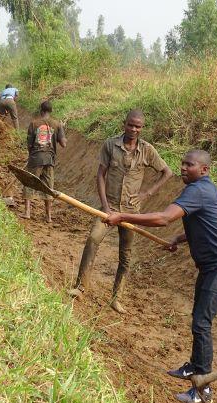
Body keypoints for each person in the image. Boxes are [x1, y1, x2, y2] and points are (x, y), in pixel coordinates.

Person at [104, 149, 217, 403]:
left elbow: (164, 218)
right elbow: (204, 223)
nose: (182, 167)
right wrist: (180, 239)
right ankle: (194, 365)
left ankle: (204, 388)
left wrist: (122, 216)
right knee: (198, 318)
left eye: (189, 165)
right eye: (182, 163)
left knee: (202, 321)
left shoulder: (199, 190)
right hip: (213, 265)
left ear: (204, 170)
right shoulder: (201, 189)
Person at [68, 110, 173, 314]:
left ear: (142, 128)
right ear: (124, 124)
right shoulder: (110, 145)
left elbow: (167, 172)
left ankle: (116, 298)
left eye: (138, 126)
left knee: (125, 255)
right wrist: (106, 207)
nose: (134, 129)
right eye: (131, 125)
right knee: (93, 239)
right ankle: (81, 287)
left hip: (131, 211)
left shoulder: (147, 150)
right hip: (110, 208)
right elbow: (100, 175)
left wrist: (146, 194)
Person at [22, 100, 67, 222]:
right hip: (49, 159)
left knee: (29, 183)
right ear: (51, 111)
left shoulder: (34, 123)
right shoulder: (57, 124)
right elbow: (63, 144)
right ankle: (48, 216)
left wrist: (31, 155)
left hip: (36, 158)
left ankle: (27, 212)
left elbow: (29, 144)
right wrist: (61, 129)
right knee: (48, 187)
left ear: (41, 111)